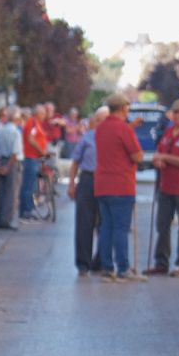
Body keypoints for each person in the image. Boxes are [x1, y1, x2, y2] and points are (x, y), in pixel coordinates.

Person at [146, 98, 179, 278]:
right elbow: (159, 153)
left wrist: (165, 157)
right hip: (166, 186)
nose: (177, 116)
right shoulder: (169, 132)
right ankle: (161, 262)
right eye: (175, 112)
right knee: (162, 225)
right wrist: (158, 159)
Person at [93, 94, 146, 282]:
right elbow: (137, 156)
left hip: (102, 185)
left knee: (106, 227)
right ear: (124, 108)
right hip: (121, 185)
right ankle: (123, 268)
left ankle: (107, 268)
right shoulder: (123, 129)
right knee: (121, 229)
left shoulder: (100, 129)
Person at [68, 106, 107, 276]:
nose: (101, 123)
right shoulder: (87, 138)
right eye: (98, 120)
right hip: (88, 180)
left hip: (106, 181)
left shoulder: (113, 138)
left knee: (105, 223)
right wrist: (71, 184)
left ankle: (100, 261)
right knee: (84, 223)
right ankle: (83, 263)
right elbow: (75, 161)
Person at [0, 106, 24, 230]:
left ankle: (0, 219)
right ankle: (7, 220)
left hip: (2, 160)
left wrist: (0, 164)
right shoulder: (15, 132)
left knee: (2, 192)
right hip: (11, 163)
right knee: (11, 193)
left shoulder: (1, 130)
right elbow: (15, 153)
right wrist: (8, 166)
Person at [19, 103, 48, 221]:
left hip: (34, 158)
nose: (45, 116)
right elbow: (30, 139)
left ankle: (28, 209)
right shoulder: (33, 123)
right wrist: (41, 151)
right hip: (31, 157)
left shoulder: (35, 123)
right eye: (43, 113)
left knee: (30, 185)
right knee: (28, 186)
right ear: (38, 113)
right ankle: (26, 210)